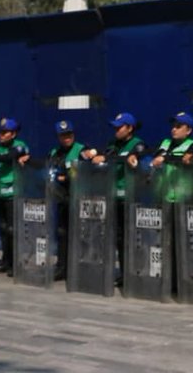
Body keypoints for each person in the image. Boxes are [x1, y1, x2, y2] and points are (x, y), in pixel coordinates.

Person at [82, 112, 146, 283]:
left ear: (130, 128)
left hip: (130, 197)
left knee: (130, 237)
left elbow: (133, 158)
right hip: (113, 197)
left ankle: (134, 273)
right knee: (117, 237)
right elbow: (102, 155)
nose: (116, 130)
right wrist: (89, 155)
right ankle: (124, 273)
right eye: (114, 127)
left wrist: (107, 158)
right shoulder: (112, 143)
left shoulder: (137, 144)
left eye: (119, 127)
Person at [0, 118, 30, 275]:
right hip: (0, 192)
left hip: (14, 193)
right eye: (0, 132)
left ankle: (16, 263)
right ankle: (5, 261)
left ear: (13, 134)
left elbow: (8, 157)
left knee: (14, 229)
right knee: (3, 228)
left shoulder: (20, 145)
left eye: (5, 133)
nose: (1, 135)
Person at [46, 119, 84, 281]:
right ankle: (62, 267)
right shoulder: (54, 152)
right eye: (63, 135)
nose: (66, 138)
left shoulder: (82, 149)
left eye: (69, 134)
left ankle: (80, 267)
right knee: (62, 233)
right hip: (62, 199)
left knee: (80, 234)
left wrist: (66, 176)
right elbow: (47, 168)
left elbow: (87, 169)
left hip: (79, 199)